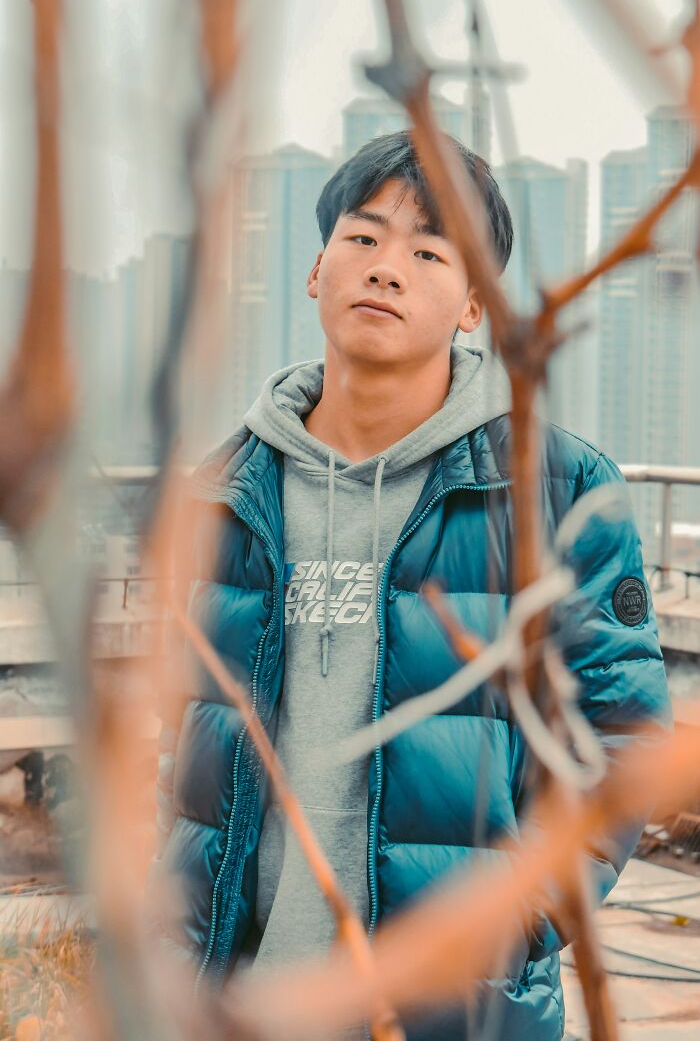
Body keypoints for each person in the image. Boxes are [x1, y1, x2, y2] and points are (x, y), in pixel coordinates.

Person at [149, 131, 671, 1040]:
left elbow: (622, 740)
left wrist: (507, 930)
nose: (386, 268)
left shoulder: (557, 491)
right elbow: (178, 736)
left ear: (473, 305)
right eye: (362, 237)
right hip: (237, 1001)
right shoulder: (221, 492)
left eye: (430, 253)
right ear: (316, 270)